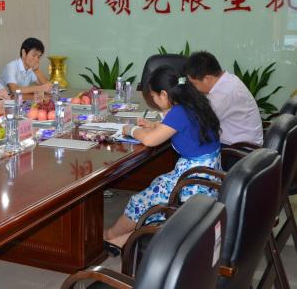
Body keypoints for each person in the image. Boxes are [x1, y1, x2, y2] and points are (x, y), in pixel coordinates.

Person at [104, 65, 221, 253]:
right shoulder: (194, 103)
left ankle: (110, 236)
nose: (153, 100)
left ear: (164, 94)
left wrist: (131, 129)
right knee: (156, 189)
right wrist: (155, 125)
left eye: (154, 96)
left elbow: (150, 140)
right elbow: (180, 126)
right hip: (207, 177)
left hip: (192, 182)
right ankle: (123, 240)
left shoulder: (178, 112)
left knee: (140, 201)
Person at [184, 51, 263, 145]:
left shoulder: (224, 93)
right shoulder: (228, 80)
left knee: (187, 140)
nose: (194, 88)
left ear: (207, 79)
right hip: (239, 143)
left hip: (240, 149)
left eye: (194, 84)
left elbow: (198, 122)